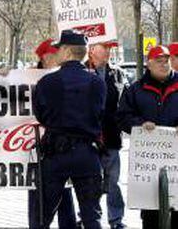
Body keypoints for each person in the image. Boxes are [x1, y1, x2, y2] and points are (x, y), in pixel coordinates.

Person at [32, 29, 105, 229]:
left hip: (56, 153)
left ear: (66, 51)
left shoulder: (47, 82)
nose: (56, 53)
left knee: (43, 215)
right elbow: (100, 114)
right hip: (87, 153)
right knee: (92, 216)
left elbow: (40, 114)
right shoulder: (97, 82)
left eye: (58, 49)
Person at [117, 46, 178, 229]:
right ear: (149, 64)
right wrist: (139, 124)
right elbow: (122, 117)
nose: (164, 64)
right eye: (159, 61)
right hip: (148, 162)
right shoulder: (136, 89)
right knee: (151, 212)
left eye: (166, 60)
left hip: (175, 160)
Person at [29, 38, 78, 229]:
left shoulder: (63, 78)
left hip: (61, 148)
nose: (56, 59)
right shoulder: (28, 77)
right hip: (36, 151)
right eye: (52, 55)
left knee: (65, 195)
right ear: (44, 58)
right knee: (38, 200)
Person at [86, 41, 128, 229]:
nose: (109, 52)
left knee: (113, 182)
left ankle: (116, 220)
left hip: (111, 137)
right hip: (87, 139)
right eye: (105, 47)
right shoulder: (82, 71)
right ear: (92, 49)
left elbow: (126, 102)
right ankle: (89, 217)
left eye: (111, 48)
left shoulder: (118, 73)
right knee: (90, 182)